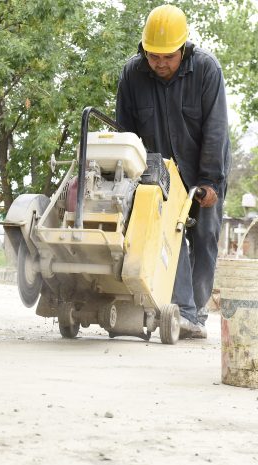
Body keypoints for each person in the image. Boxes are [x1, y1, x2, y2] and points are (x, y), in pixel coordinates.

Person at [116, 5, 231, 339]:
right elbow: (126, 133)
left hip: (201, 173)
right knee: (171, 236)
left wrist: (210, 180)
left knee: (205, 238)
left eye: (167, 56)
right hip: (158, 176)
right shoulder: (132, 75)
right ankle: (182, 312)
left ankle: (195, 315)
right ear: (144, 51)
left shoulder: (207, 70)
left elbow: (216, 129)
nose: (160, 64)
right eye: (153, 56)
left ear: (183, 49)